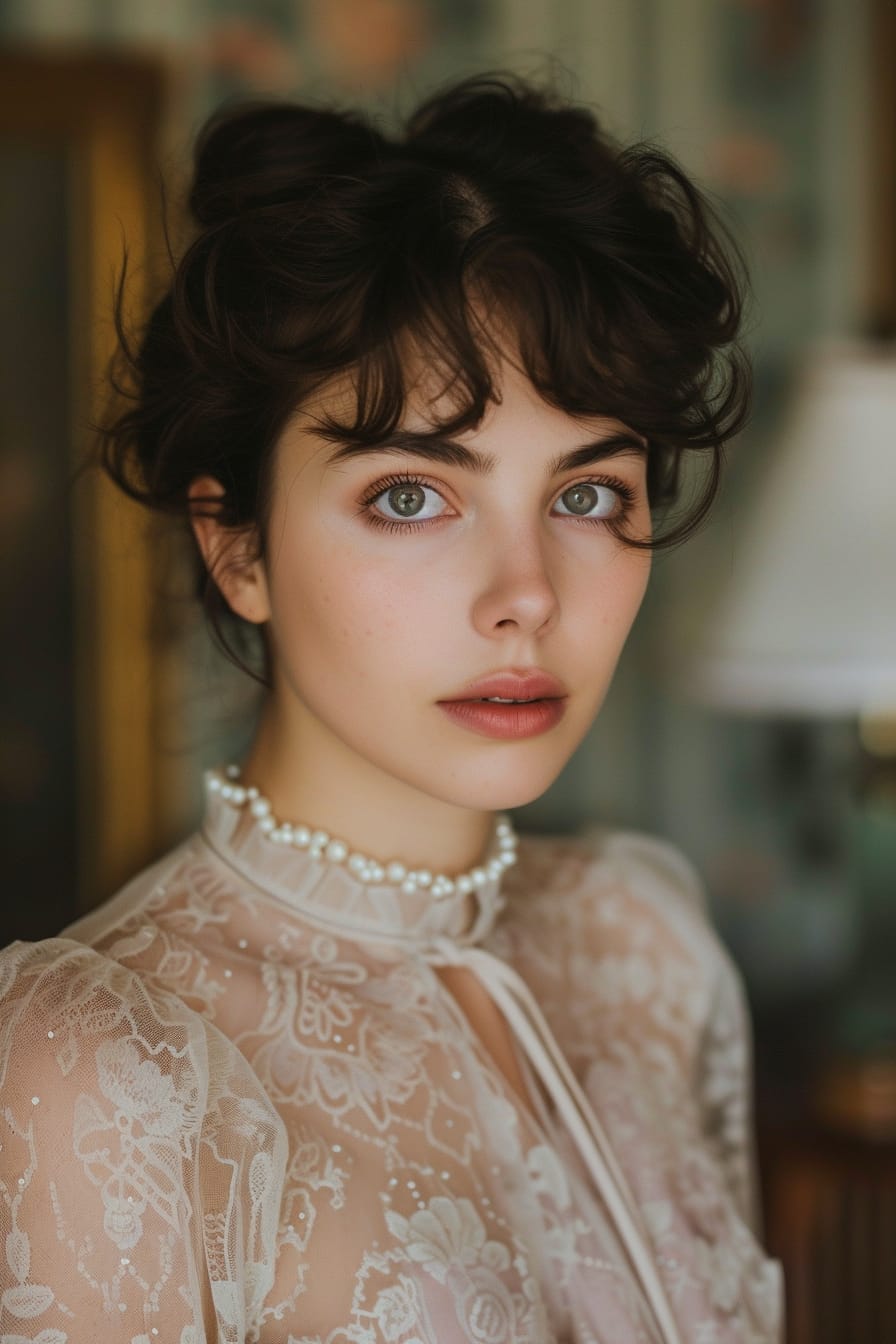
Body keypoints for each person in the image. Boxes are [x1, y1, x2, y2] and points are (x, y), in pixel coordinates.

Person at [0, 73, 783, 1343]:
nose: (524, 596)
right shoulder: (98, 1065)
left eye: (585, 496)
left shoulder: (645, 950)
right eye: (411, 498)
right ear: (236, 546)